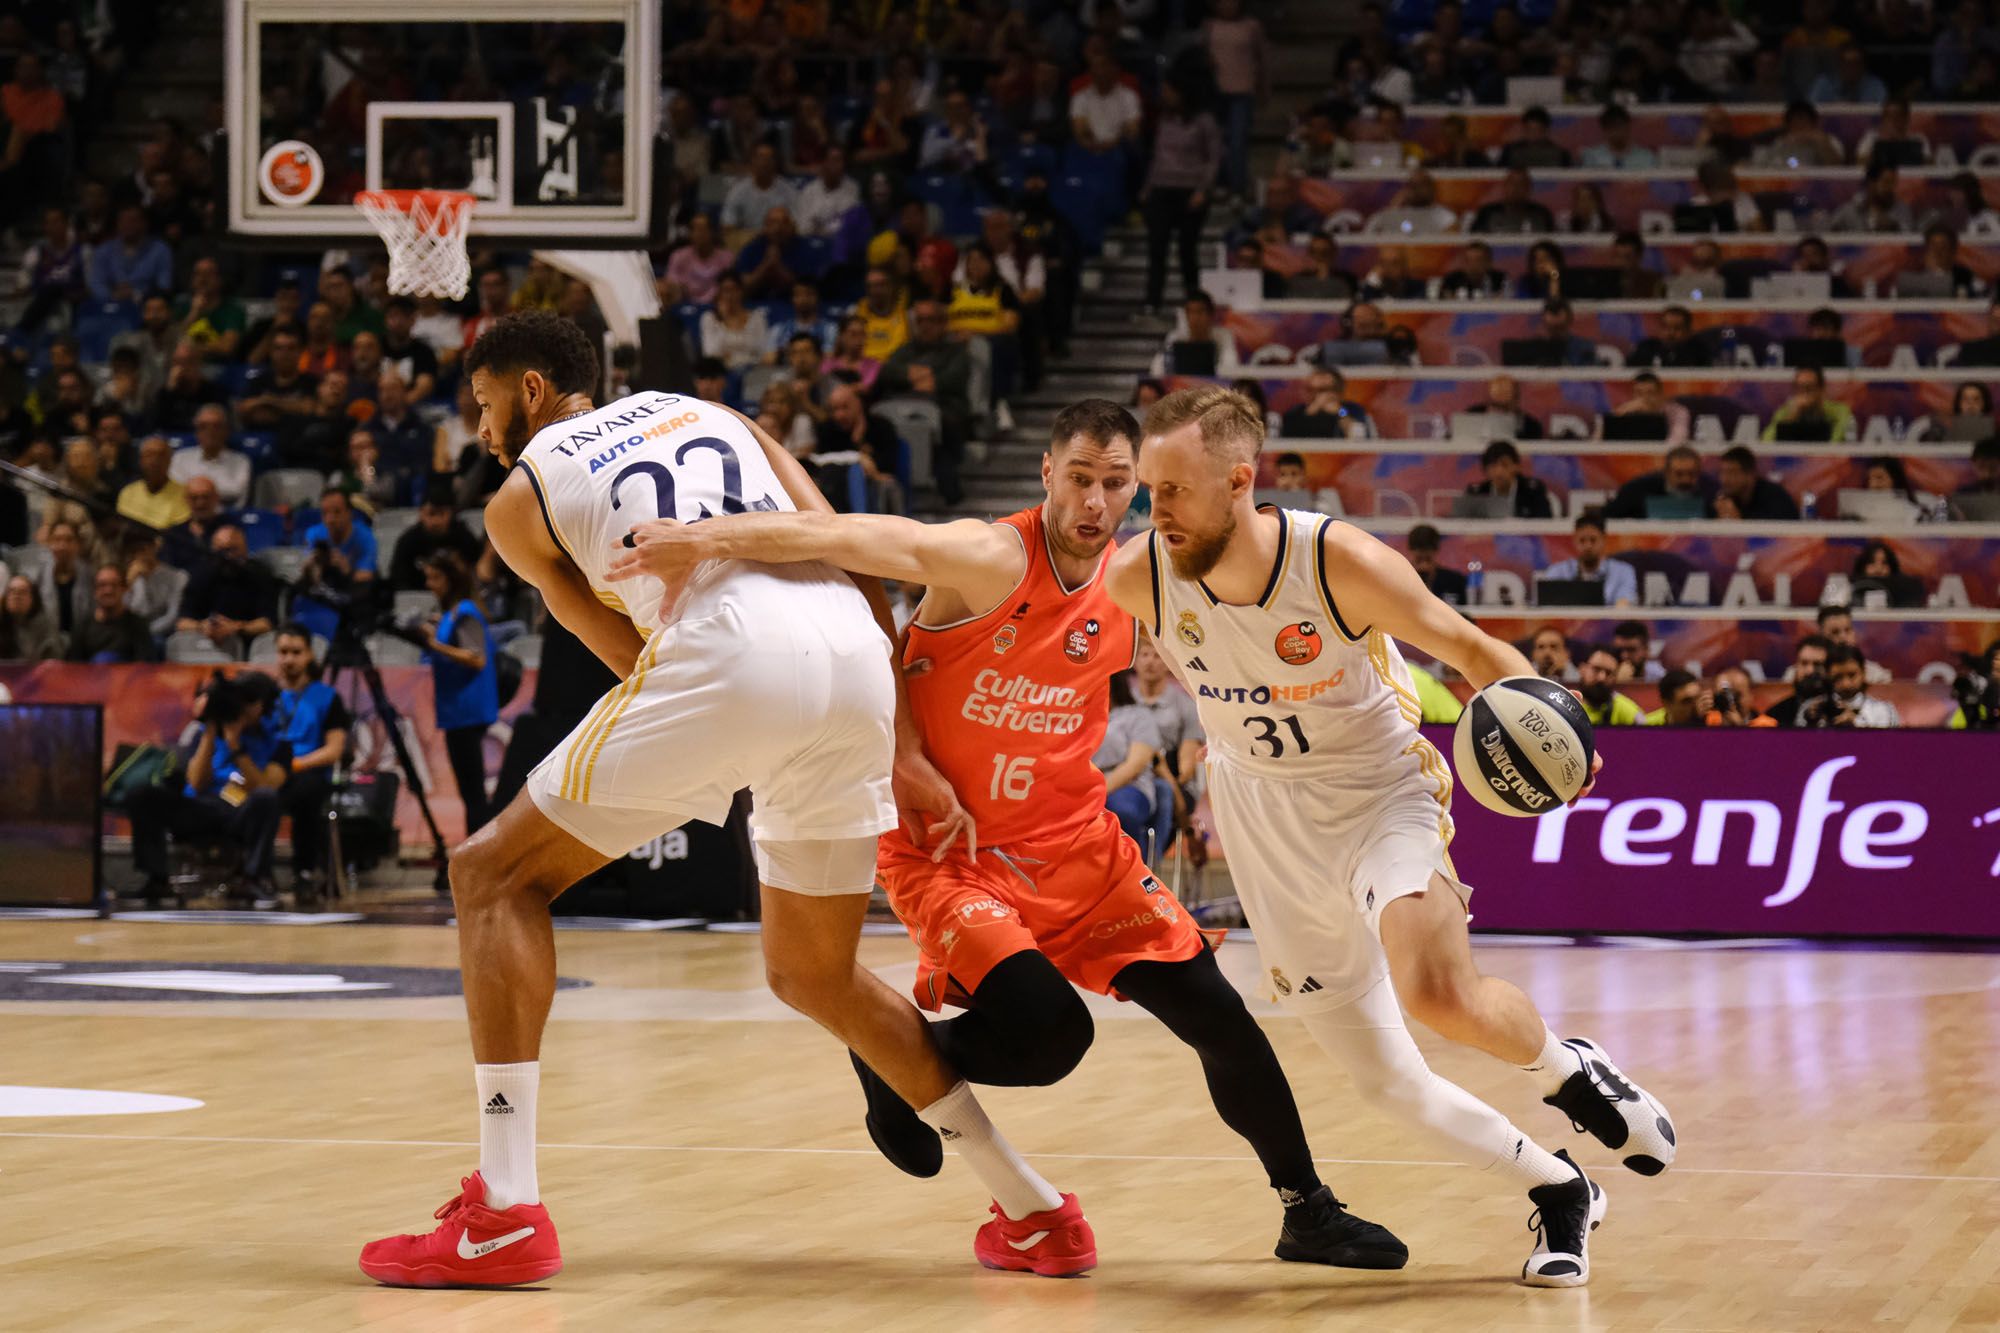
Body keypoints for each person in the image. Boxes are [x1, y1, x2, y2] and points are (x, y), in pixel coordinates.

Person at [359, 312, 1086, 1289]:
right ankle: (1034, 1209)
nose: (481, 425)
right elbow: (845, 544)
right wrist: (900, 742)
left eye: (485, 402)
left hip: (729, 648)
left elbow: (621, 650)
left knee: (490, 874)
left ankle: (500, 1210)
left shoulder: (518, 496)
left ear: (531, 390)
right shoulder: (710, 410)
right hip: (850, 656)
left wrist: (716, 723)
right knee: (813, 974)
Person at [610, 397, 1405, 1274]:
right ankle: (893, 1055)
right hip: (957, 856)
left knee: (1223, 1017)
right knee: (1053, 1038)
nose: (1095, 503)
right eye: (1079, 480)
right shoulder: (988, 557)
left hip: (1080, 846)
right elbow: (847, 540)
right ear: (1046, 474)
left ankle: (1308, 1211)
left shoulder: (1138, 581)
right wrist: (705, 540)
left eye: (1115, 485)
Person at [1098, 387, 1673, 1286]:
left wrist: (1566, 739)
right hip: (1265, 823)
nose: (1151, 507)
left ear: (1240, 481)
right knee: (1385, 1083)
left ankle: (1566, 1069)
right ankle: (1561, 1188)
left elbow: (1476, 652)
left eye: (1171, 489)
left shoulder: (1338, 562)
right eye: (1148, 488)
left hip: (1379, 793)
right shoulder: (1139, 575)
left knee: (1437, 991)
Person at [126, 671, 286, 905]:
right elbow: (196, 783)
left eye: (250, 702)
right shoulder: (202, 735)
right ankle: (157, 879)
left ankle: (254, 879)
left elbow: (264, 787)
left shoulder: (277, 743)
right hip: (202, 808)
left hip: (241, 813)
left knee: (266, 798)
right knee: (143, 795)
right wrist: (211, 732)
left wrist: (235, 745)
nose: (242, 707)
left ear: (264, 706)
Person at [419, 550, 499, 836]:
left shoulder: (465, 612)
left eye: (435, 578)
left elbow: (476, 658)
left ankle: (480, 854)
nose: (430, 584)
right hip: (456, 711)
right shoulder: (451, 614)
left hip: (467, 711)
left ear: (451, 580)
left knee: (473, 792)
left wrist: (434, 644)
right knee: (469, 793)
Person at [267, 623, 350, 892]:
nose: (289, 659)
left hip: (308, 771)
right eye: (283, 652)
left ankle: (304, 870)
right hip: (267, 773)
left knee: (306, 795)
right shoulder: (265, 695)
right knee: (244, 794)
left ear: (309, 655)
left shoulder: (327, 697)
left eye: (296, 652)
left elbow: (334, 750)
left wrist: (295, 765)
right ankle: (251, 870)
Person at [1141, 81, 1220, 313]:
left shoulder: (1204, 121)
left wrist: (1203, 190)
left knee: (1187, 249)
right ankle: (1152, 302)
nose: (1164, 95)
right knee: (1157, 248)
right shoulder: (1163, 120)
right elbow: (1158, 155)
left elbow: (1213, 159)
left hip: (1190, 191)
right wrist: (1148, 187)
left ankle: (1193, 302)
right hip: (1161, 189)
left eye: (1170, 90)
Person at [173, 522, 277, 658]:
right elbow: (182, 623)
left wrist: (237, 627)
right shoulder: (201, 575)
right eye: (221, 551)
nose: (227, 556)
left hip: (247, 644)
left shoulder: (259, 574)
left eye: (233, 550)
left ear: (245, 550)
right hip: (205, 642)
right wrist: (202, 626)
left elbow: (267, 623)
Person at [293, 488, 378, 645]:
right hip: (325, 591)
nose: (330, 519)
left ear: (349, 513)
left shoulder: (365, 537)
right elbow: (308, 579)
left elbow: (367, 577)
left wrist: (346, 569)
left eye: (337, 512)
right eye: (325, 513)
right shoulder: (314, 534)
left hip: (353, 594)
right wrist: (311, 566)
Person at [1538, 511, 1638, 607]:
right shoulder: (1557, 571)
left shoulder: (1623, 571)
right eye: (1582, 540)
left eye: (1593, 540)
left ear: (1603, 540)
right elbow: (1547, 605)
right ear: (1574, 541)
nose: (1588, 546)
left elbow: (1624, 604)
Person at [390, 495, 483, 593]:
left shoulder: (464, 537)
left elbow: (477, 572)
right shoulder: (408, 541)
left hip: (460, 597)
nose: (435, 521)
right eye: (431, 514)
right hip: (418, 598)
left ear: (450, 513)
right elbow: (398, 579)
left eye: (441, 513)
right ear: (421, 514)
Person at [64, 563, 156, 663]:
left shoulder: (138, 624)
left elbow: (144, 667)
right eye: (102, 585)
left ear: (123, 589)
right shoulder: (82, 626)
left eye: (114, 585)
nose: (108, 590)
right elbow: (74, 667)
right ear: (95, 591)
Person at [1796, 644, 1901, 727]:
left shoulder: (1883, 710)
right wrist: (1811, 724)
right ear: (1827, 676)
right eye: (1838, 677)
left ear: (1863, 672)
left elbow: (1889, 747)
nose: (1846, 684)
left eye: (1852, 675)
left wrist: (1857, 724)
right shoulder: (1809, 709)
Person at [169, 405, 251, 508]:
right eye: (203, 426)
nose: (210, 431)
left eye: (216, 426)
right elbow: (177, 491)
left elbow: (236, 492)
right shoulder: (180, 458)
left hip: (226, 517)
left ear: (226, 431)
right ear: (197, 432)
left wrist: (195, 490)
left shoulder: (241, 461)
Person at [1606, 445, 1714, 519]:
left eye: (1691, 474)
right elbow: (1611, 516)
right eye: (1679, 474)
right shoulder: (1636, 490)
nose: (1685, 480)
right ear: (1666, 472)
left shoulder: (1710, 492)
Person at [116, 435, 191, 530]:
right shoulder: (128, 492)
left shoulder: (185, 494)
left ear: (170, 460)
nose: (154, 460)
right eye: (149, 455)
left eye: (161, 455)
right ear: (141, 461)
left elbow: (176, 533)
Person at [1463, 440, 1554, 518]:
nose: (1499, 472)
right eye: (1493, 466)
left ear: (1517, 466)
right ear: (1485, 469)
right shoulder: (1477, 493)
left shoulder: (1533, 491)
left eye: (1505, 465)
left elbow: (1545, 522)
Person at [1762, 366, 1854, 442]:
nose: (1804, 393)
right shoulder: (1785, 412)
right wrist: (1790, 418)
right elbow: (1766, 442)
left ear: (1821, 389)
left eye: (1809, 388)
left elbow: (1835, 444)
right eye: (1799, 387)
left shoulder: (1840, 412)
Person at [1280, 367, 1371, 440]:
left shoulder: (1351, 409)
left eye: (1324, 390)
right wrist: (1310, 413)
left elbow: (1360, 436)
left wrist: (1340, 412)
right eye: (1312, 390)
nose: (1319, 395)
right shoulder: (1296, 413)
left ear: (1339, 391)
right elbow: (1287, 439)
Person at [1826, 162, 1917, 233]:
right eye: (1886, 182)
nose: (1891, 188)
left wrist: (1894, 227)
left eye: (1893, 183)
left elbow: (1911, 240)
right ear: (1871, 183)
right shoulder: (1850, 210)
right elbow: (1827, 230)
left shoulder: (1902, 210)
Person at [1815, 603, 1894, 684]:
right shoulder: (1814, 673)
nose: (1843, 638)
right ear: (1821, 637)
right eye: (1835, 632)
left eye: (1847, 630)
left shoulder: (1874, 675)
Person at [1715, 446, 1801, 519]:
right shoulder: (1726, 498)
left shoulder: (1774, 497)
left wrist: (1739, 518)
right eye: (1722, 472)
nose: (1724, 479)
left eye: (1732, 472)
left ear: (1750, 474)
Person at [1607, 373, 1692, 445]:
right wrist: (1620, 415)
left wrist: (1652, 414)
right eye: (1639, 393)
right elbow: (1609, 440)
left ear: (1660, 394)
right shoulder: (1626, 410)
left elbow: (1677, 441)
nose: (1645, 398)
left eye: (1650, 393)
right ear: (1632, 395)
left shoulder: (1678, 411)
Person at [1767, 633, 1832, 727]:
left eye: (1818, 664)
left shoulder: (1840, 713)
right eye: (1804, 663)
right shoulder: (1776, 714)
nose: (1809, 671)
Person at [1577, 642, 1648, 726]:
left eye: (1608, 673)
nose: (1601, 678)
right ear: (1582, 669)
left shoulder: (1625, 709)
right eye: (1596, 669)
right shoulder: (1566, 705)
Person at [1469, 167, 1555, 234]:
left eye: (1521, 184)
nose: (1516, 188)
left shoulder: (1542, 213)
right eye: (1512, 183)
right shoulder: (1487, 212)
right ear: (1504, 186)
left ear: (1529, 188)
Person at [0, 573, 64, 661]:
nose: (16, 596)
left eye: (22, 592)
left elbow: (53, 662)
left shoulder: (46, 626)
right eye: (12, 591)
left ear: (33, 598)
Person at [1629, 306, 1712, 370]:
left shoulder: (1699, 351)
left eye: (1677, 328)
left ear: (1688, 331)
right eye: (1666, 327)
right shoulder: (1646, 348)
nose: (1671, 333)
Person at [1405, 524, 1467, 604]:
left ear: (1436, 552)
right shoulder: (1400, 580)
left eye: (1428, 559)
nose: (1424, 566)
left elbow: (1463, 613)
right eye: (1419, 559)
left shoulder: (1454, 581)